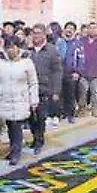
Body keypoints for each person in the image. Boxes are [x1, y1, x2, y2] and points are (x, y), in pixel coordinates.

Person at [0, 36, 39, 166]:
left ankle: (16, 152)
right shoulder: (0, 62)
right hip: (5, 98)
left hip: (21, 99)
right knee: (10, 126)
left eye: (12, 47)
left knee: (17, 126)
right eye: (8, 48)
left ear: (18, 47)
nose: (10, 50)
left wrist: (33, 100)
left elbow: (33, 82)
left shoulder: (27, 62)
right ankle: (13, 149)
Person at [28, 23, 63, 154]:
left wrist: (56, 91)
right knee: (31, 116)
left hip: (45, 88)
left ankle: (39, 139)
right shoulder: (27, 50)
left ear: (44, 35)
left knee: (41, 116)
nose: (36, 36)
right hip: (29, 89)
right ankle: (34, 136)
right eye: (34, 33)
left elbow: (57, 71)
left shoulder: (52, 50)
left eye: (38, 33)